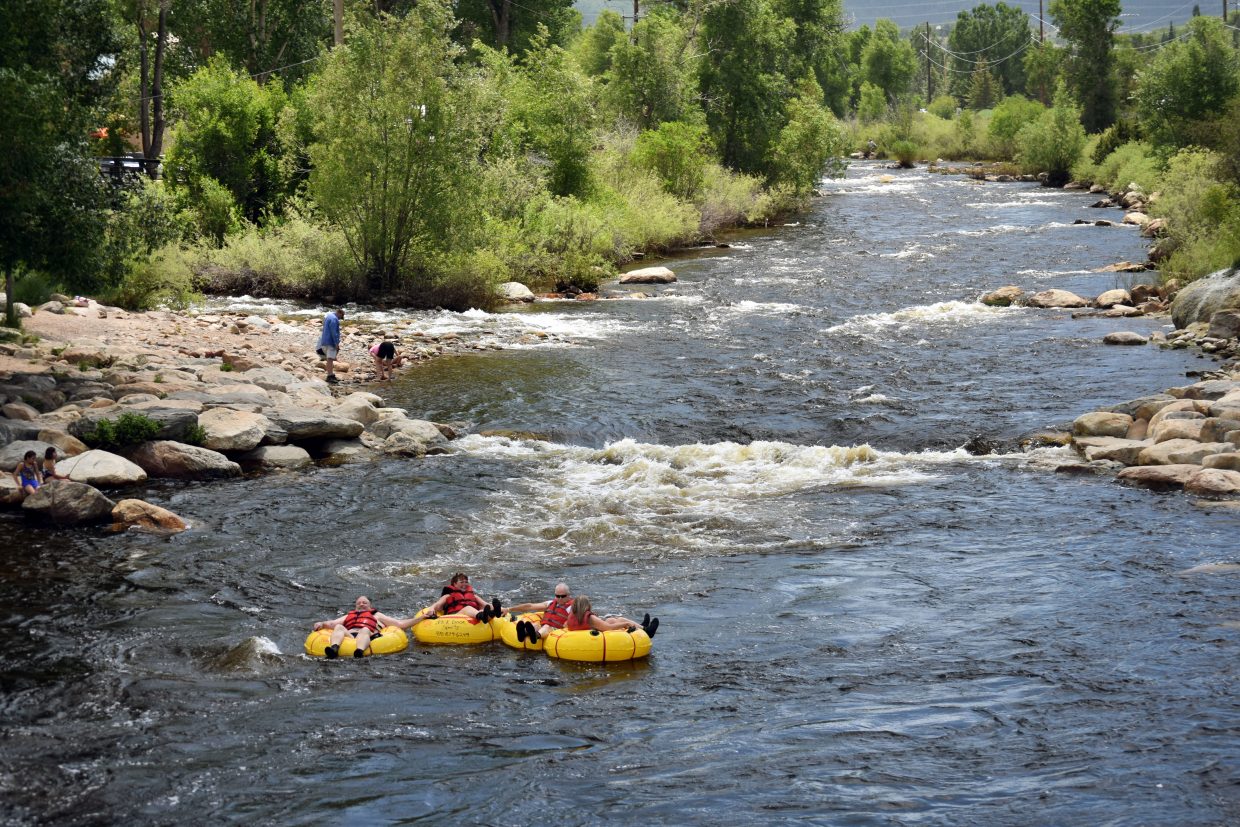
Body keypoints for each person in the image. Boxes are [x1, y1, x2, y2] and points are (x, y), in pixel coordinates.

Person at [312, 595, 422, 659]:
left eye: (364, 602)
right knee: (339, 627)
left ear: (370, 606)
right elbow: (332, 623)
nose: (361, 604)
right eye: (359, 603)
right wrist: (322, 623)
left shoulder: (377, 615)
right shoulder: (349, 615)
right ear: (356, 607)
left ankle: (359, 651)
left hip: (368, 634)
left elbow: (401, 624)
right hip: (351, 636)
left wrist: (421, 618)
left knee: (365, 629)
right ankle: (334, 649)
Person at [422, 572, 503, 623]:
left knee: (485, 609)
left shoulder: (474, 596)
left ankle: (493, 613)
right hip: (455, 617)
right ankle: (483, 616)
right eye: (461, 582)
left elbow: (486, 605)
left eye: (466, 582)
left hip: (473, 616)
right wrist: (432, 608)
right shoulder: (448, 596)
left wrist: (501, 609)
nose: (464, 584)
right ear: (454, 584)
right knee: (467, 608)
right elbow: (438, 605)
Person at [564, 595, 657, 636]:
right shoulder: (590, 618)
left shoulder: (571, 617)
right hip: (595, 639)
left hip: (585, 636)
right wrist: (626, 624)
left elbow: (565, 626)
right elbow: (608, 628)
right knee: (620, 620)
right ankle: (646, 631)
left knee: (611, 620)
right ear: (586, 605)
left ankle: (641, 626)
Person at [317, 307, 344, 384]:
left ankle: (330, 374)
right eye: (341, 317)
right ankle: (330, 376)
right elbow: (334, 332)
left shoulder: (328, 316)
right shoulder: (334, 319)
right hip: (330, 342)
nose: (340, 319)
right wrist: (336, 343)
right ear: (339, 313)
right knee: (330, 359)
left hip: (325, 341)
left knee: (329, 359)